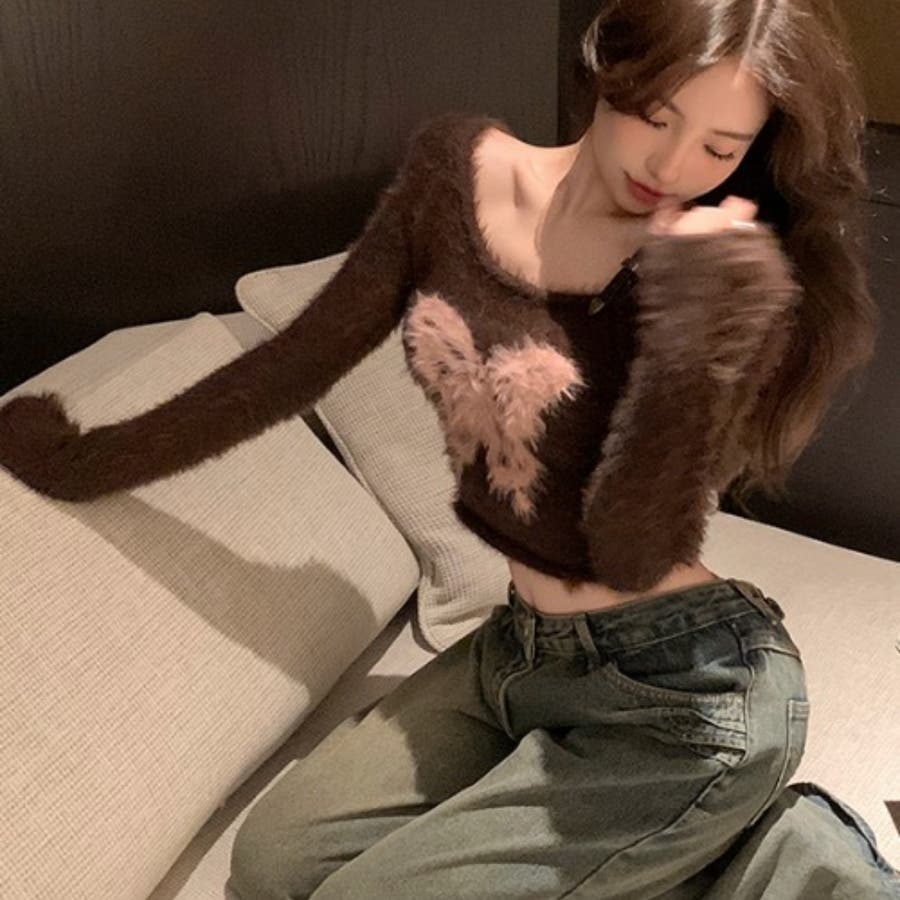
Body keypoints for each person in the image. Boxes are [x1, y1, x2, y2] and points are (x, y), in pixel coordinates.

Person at [0, 0, 883, 897]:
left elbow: (629, 547)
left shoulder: (720, 281)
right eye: (656, 117)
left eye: (720, 147)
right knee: (273, 863)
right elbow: (294, 363)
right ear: (605, 68)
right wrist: (83, 460)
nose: (672, 166)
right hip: (521, 647)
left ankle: (786, 851)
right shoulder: (454, 178)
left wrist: (694, 346)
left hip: (682, 695)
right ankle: (696, 843)